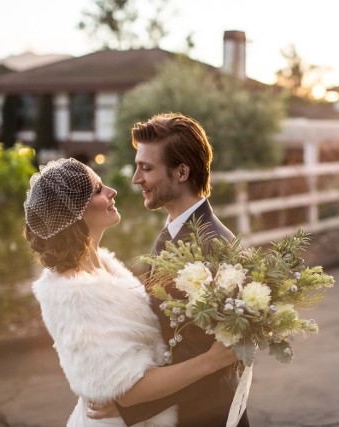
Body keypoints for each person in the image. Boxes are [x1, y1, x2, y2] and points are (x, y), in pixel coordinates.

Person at [24, 157, 238, 427]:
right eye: (98, 189)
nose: (111, 191)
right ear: (75, 212)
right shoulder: (73, 296)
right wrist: (211, 360)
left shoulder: (102, 265)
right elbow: (128, 392)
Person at [88, 113, 250, 427]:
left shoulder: (213, 246)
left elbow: (219, 360)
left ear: (182, 172)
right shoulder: (176, 231)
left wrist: (130, 408)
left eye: (146, 168)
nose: (136, 179)